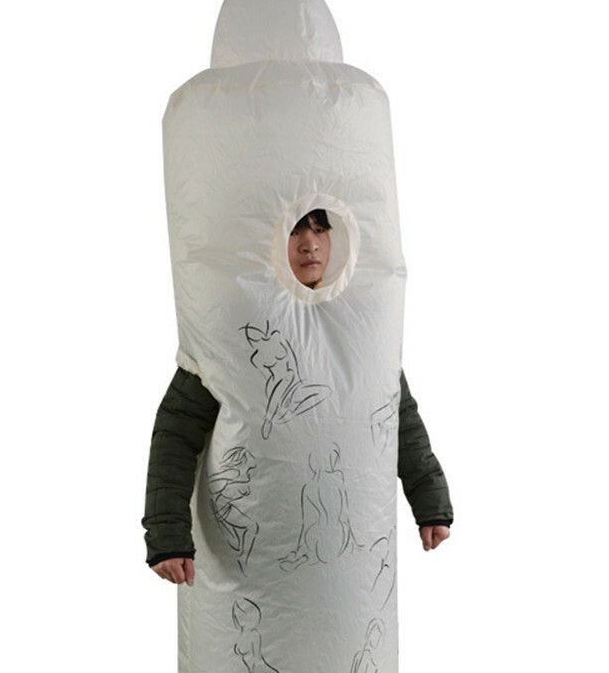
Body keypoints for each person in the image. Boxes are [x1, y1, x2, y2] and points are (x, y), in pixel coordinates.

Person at [144, 211, 452, 585]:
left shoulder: (359, 327)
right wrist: (167, 535)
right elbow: (176, 435)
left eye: (320, 230)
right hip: (251, 565)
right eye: (294, 232)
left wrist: (430, 503)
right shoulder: (229, 326)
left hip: (347, 572)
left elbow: (397, 416)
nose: (310, 244)